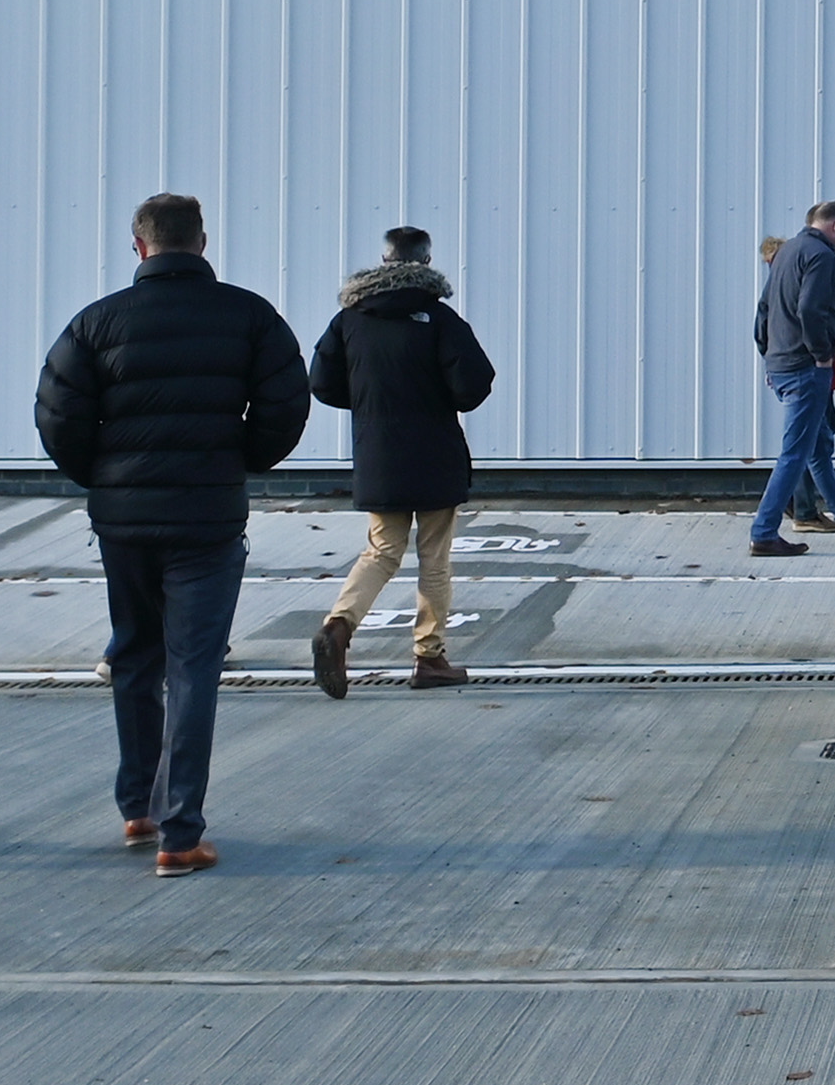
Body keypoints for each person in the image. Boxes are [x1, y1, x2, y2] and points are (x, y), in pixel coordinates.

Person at [33, 193, 311, 875]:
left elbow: (57, 417)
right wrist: (238, 458)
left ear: (139, 246)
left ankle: (138, 804)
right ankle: (180, 831)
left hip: (123, 521)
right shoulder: (250, 317)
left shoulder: (95, 323)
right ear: (203, 241)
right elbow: (285, 405)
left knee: (133, 654)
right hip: (208, 518)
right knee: (193, 667)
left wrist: (104, 477)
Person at [311, 224, 498, 696]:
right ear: (426, 264)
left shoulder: (349, 319)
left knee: (381, 551)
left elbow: (321, 381)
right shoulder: (439, 319)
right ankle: (429, 658)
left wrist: (371, 403)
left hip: (379, 455)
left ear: (384, 260)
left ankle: (338, 626)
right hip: (435, 453)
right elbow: (473, 385)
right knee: (433, 557)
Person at [750, 199, 835, 559]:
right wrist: (822, 356)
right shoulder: (820, 255)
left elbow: (764, 310)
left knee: (816, 446)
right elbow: (811, 309)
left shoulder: (786, 253)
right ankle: (764, 532)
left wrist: (770, 355)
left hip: (783, 365)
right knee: (795, 453)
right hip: (805, 368)